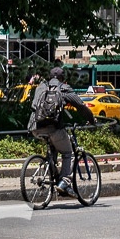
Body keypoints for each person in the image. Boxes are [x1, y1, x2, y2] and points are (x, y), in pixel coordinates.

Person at [29, 65, 79, 195]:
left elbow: (34, 105)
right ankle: (64, 182)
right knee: (68, 153)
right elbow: (80, 105)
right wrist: (91, 119)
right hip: (53, 128)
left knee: (53, 148)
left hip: (35, 127)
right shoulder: (64, 88)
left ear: (49, 77)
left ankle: (52, 172)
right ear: (62, 78)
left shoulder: (41, 87)